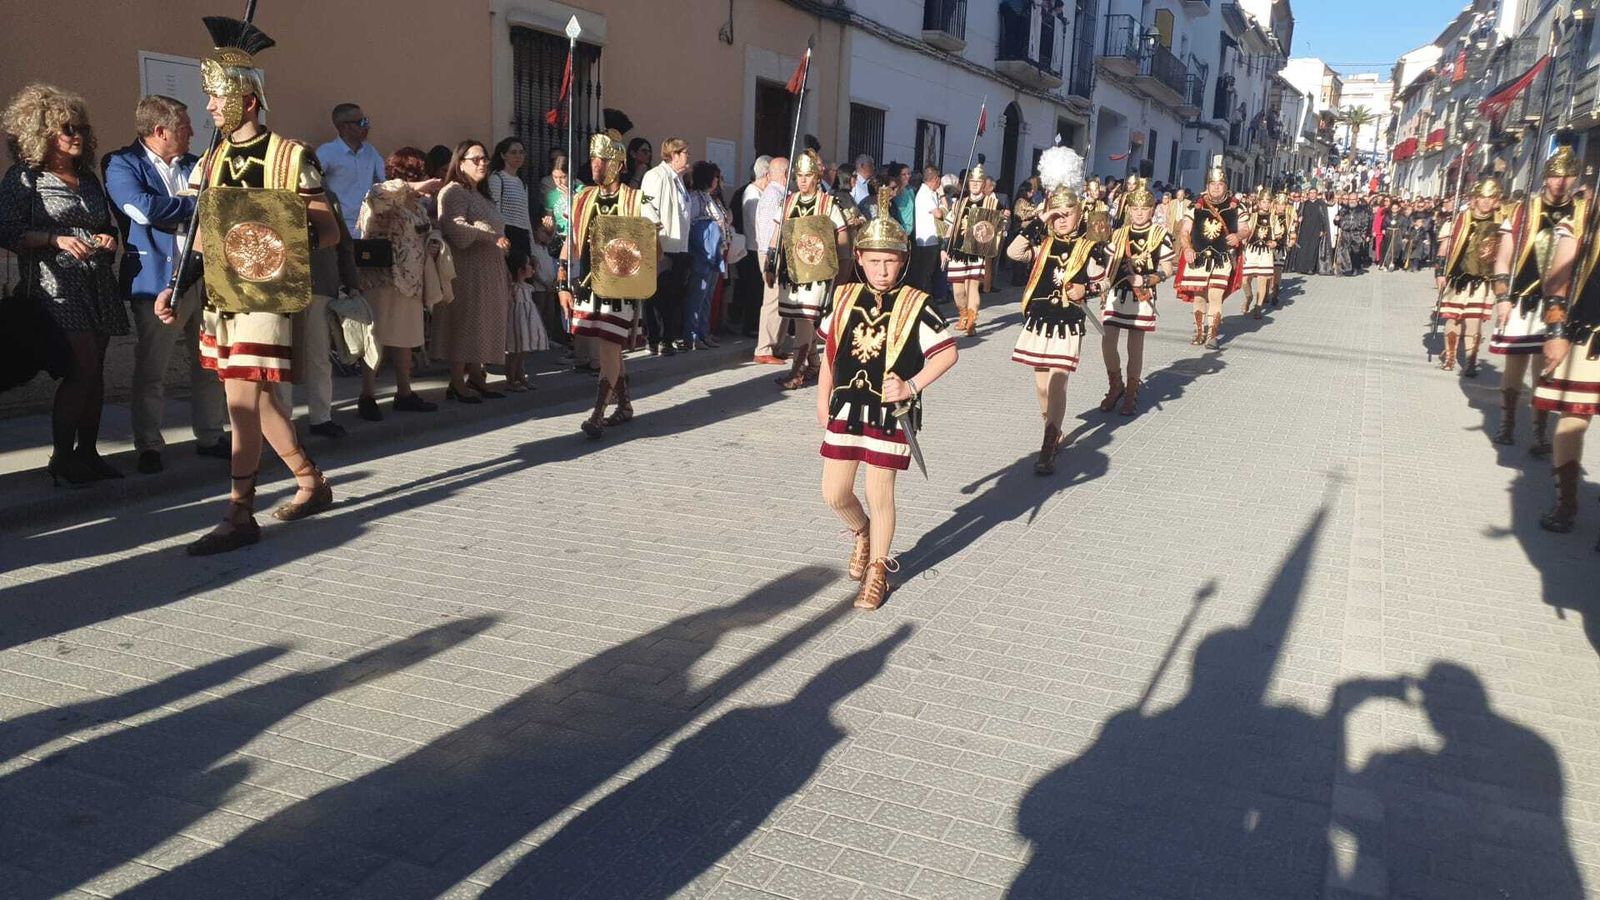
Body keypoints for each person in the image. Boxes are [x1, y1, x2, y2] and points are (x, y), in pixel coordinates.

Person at [152, 18, 340, 553]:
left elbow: (328, 232)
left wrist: (274, 233)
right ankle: (310, 482)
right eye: (209, 97)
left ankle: (239, 512)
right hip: (222, 296)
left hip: (266, 294)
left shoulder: (291, 157)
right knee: (258, 398)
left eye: (217, 97)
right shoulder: (210, 161)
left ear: (248, 100)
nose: (210, 107)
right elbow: (201, 240)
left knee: (239, 396)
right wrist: (176, 287)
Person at [816, 188, 957, 610]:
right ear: (859, 258)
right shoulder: (844, 297)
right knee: (834, 492)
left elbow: (947, 353)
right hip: (846, 408)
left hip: (890, 413)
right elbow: (829, 355)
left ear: (903, 260)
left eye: (890, 261)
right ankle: (862, 533)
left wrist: (912, 386)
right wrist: (822, 399)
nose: (882, 270)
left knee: (880, 493)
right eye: (875, 261)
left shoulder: (917, 303)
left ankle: (878, 568)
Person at [0, 83, 127, 486]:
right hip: (55, 287)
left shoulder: (87, 178)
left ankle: (88, 453)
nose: (77, 135)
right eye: (67, 129)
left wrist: (108, 238)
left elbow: (103, 224)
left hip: (96, 283)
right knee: (81, 368)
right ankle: (62, 457)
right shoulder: (25, 178)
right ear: (42, 134)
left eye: (82, 128)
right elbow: (6, 230)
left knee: (96, 372)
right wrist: (54, 239)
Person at [103, 94, 229, 474]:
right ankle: (149, 444)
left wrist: (184, 208)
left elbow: (221, 206)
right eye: (185, 128)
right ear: (160, 131)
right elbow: (142, 209)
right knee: (152, 369)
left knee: (209, 364)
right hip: (155, 281)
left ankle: (211, 435)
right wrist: (195, 206)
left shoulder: (196, 164)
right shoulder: (121, 163)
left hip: (202, 278)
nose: (192, 134)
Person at [1006, 147, 1104, 476]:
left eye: (1068, 213)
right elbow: (1013, 252)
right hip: (1039, 320)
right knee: (1041, 386)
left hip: (1068, 322)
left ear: (1080, 212)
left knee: (1057, 383)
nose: (1062, 219)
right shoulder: (1044, 242)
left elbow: (1104, 280)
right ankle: (1052, 425)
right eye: (1057, 213)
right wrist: (1039, 220)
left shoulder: (1089, 246)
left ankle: (1049, 442)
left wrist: (1086, 290)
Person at [1492, 142, 1586, 454]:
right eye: (1556, 176)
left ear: (1575, 179)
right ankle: (1506, 424)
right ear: (1545, 177)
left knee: (1546, 369)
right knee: (1515, 365)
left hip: (1561, 307)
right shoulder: (1522, 211)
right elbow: (1503, 259)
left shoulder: (1582, 213)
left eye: (1567, 176)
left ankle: (1539, 433)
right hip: (1524, 300)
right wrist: (1502, 298)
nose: (1561, 182)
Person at [558, 130, 652, 438]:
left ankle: (597, 414)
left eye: (602, 160)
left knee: (609, 348)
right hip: (589, 283)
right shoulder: (582, 198)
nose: (595, 165)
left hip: (621, 288)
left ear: (618, 164)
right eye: (593, 159)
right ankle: (624, 405)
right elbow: (571, 241)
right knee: (607, 347)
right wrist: (562, 284)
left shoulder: (637, 199)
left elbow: (652, 247)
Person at [354, 147, 442, 418]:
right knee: (376, 338)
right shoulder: (386, 194)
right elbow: (376, 195)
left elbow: (421, 232)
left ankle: (405, 392)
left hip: (410, 281)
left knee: (406, 338)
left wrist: (433, 242)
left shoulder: (415, 205)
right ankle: (367, 395)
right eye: (421, 174)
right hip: (383, 279)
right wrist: (412, 186)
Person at [1535, 199, 1600, 545]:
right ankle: (1566, 504)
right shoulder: (1585, 214)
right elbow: (1557, 282)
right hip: (1590, 332)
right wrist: (1556, 332)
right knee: (1573, 418)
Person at [433, 140, 513, 403]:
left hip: (489, 269)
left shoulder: (481, 194)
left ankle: (477, 375)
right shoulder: (453, 192)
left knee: (483, 321)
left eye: (485, 158)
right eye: (476, 159)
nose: (483, 164)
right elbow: (453, 227)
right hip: (467, 270)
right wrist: (490, 237)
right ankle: (457, 380)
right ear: (460, 163)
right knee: (466, 321)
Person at [773, 149, 850, 390]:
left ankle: (796, 370)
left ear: (816, 177)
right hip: (791, 272)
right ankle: (814, 364)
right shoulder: (788, 202)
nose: (803, 181)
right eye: (799, 176)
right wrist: (770, 261)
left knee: (806, 318)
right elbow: (778, 233)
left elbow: (842, 237)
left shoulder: (828, 203)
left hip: (817, 274)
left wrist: (842, 265)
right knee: (799, 318)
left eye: (807, 176)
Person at [1098, 177, 1174, 417]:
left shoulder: (1160, 234)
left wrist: (1149, 279)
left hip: (1141, 296)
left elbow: (1168, 268)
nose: (1139, 213)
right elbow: (1107, 263)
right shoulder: (1119, 234)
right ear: (1129, 210)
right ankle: (1115, 385)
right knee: (1107, 342)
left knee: (1134, 346)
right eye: (1135, 208)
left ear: (1152, 210)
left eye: (1144, 208)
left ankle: (1131, 391)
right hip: (1116, 292)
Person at [1434, 175, 1503, 377]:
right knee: (1454, 318)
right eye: (1483, 197)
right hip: (1458, 277)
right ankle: (1450, 357)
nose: (1487, 202)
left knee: (1474, 321)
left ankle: (1471, 361)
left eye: (1491, 198)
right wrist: (1440, 273)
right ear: (1475, 198)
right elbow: (1444, 249)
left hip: (1483, 280)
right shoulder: (1460, 220)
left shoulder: (1500, 222)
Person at [1177, 156, 1247, 350]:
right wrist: (1187, 248)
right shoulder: (1195, 205)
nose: (1216, 188)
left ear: (1226, 186)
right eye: (1213, 184)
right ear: (1207, 186)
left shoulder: (1236, 206)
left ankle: (1212, 335)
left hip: (1222, 258)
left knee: (1215, 296)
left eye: (1220, 184)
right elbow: (1184, 231)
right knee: (1199, 296)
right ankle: (1199, 331)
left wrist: (1238, 236)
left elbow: (1245, 228)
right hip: (1198, 258)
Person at [641, 136, 691, 355]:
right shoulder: (656, 175)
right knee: (658, 296)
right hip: (663, 245)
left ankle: (668, 338)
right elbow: (646, 207)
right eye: (685, 152)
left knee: (673, 296)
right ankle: (656, 338)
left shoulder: (678, 179)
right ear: (674, 155)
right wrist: (656, 238)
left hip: (679, 246)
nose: (688, 156)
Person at [943, 164, 999, 337]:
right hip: (958, 248)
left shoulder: (992, 203)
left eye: (978, 182)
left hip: (976, 249)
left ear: (983, 184)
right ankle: (963, 314)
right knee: (958, 289)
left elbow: (995, 228)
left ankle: (972, 320)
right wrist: (944, 247)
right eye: (972, 181)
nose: (975, 184)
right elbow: (950, 227)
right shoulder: (960, 202)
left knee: (972, 286)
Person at [315, 102, 383, 237]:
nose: (367, 126)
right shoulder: (327, 152)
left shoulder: (370, 151)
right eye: (361, 122)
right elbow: (313, 184)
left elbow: (383, 184)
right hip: (341, 228)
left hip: (369, 226)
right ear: (344, 127)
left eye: (366, 121)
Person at [684, 160, 726, 350]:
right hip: (702, 255)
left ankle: (703, 332)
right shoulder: (695, 199)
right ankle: (692, 335)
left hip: (714, 254)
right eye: (716, 177)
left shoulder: (709, 198)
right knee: (697, 296)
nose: (718, 180)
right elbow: (690, 225)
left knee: (707, 297)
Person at [752, 156, 790, 364]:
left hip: (778, 252)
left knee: (782, 300)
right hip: (772, 252)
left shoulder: (780, 194)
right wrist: (771, 258)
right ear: (785, 173)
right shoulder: (773, 195)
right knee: (773, 300)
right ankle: (764, 348)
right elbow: (769, 231)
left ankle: (776, 345)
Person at [732, 155, 771, 338]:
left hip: (758, 247)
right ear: (766, 174)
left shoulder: (760, 192)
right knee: (753, 291)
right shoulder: (753, 193)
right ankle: (750, 326)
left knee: (757, 290)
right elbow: (758, 223)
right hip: (753, 248)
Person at [504, 248, 549, 391]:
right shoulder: (513, 288)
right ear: (520, 270)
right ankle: (511, 379)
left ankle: (521, 376)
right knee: (514, 352)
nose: (532, 268)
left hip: (527, 321)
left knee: (523, 350)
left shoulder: (528, 287)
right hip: (517, 321)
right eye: (528, 264)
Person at [487, 137, 533, 262]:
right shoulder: (497, 178)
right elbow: (494, 211)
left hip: (523, 235)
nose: (518, 156)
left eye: (521, 152)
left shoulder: (522, 183)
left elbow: (526, 217)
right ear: (503, 155)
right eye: (513, 152)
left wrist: (532, 249)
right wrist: (500, 237)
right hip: (507, 232)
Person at [1240, 188, 1276, 317]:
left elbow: (1278, 235)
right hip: (1251, 251)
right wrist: (1242, 250)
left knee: (1263, 280)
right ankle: (1249, 297)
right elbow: (1245, 233)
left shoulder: (1274, 218)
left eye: (1268, 202)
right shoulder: (1252, 216)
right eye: (1263, 202)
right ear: (1259, 203)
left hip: (1265, 252)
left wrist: (1274, 243)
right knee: (1245, 280)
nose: (1266, 204)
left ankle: (1258, 306)